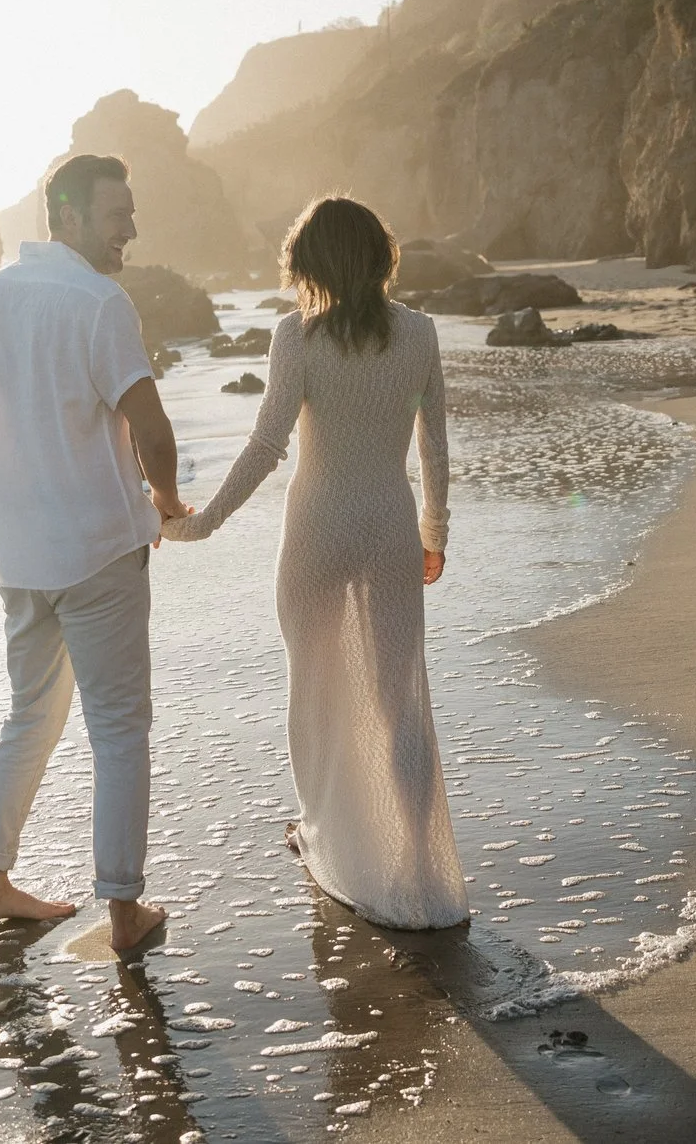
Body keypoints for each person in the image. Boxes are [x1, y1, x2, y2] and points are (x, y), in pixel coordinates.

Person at [161, 196, 467, 929]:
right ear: (378, 254)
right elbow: (435, 447)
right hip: (390, 525)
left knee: (314, 692)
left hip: (316, 531)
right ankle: (420, 862)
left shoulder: (295, 337)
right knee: (401, 704)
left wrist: (201, 523)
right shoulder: (421, 332)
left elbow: (268, 447)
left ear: (310, 264)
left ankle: (324, 832)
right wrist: (434, 532)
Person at [0, 152, 187, 951]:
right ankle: (124, 912)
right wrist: (166, 501)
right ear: (68, 215)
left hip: (18, 551)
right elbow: (151, 427)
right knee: (120, 727)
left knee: (31, 715)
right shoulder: (99, 301)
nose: (131, 227)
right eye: (116, 213)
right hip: (94, 550)